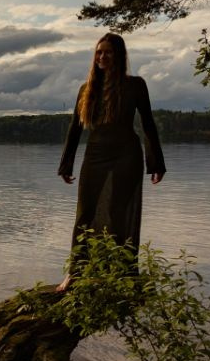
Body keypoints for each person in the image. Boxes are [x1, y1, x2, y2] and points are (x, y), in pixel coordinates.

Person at [55, 33, 165, 292]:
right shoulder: (87, 89)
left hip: (127, 154)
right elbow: (74, 129)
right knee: (85, 213)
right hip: (95, 154)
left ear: (119, 55)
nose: (102, 57)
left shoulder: (135, 85)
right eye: (98, 52)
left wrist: (156, 163)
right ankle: (76, 272)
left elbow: (148, 124)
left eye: (108, 52)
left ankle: (121, 274)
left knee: (119, 215)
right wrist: (66, 165)